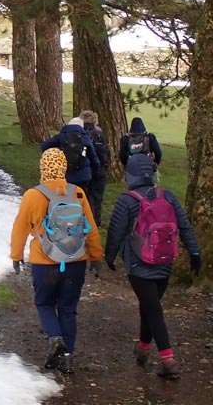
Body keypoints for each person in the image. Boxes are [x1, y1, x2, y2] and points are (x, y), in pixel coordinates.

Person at [104, 154, 201, 380]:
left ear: (131, 175)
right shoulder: (168, 196)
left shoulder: (126, 201)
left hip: (138, 265)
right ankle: (143, 349)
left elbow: (116, 233)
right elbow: (185, 226)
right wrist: (195, 252)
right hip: (165, 262)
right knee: (150, 306)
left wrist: (109, 257)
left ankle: (168, 360)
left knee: (153, 309)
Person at [10, 148, 103, 375]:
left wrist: (17, 256)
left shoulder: (33, 195)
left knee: (44, 304)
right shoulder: (78, 193)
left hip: (45, 261)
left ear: (43, 167)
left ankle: (55, 338)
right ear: (64, 167)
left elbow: (20, 228)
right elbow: (90, 229)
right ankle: (68, 357)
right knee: (68, 309)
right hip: (75, 260)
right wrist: (96, 256)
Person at [41, 117, 100, 195]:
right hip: (83, 175)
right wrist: (95, 171)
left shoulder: (61, 136)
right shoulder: (85, 137)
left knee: (66, 197)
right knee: (81, 197)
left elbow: (44, 146)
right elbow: (93, 157)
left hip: (66, 174)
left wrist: (57, 153)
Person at [79, 110, 111, 228]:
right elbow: (107, 152)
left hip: (84, 170)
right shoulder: (99, 133)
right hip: (99, 170)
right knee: (97, 198)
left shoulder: (80, 133)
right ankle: (96, 222)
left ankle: (83, 221)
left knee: (84, 197)